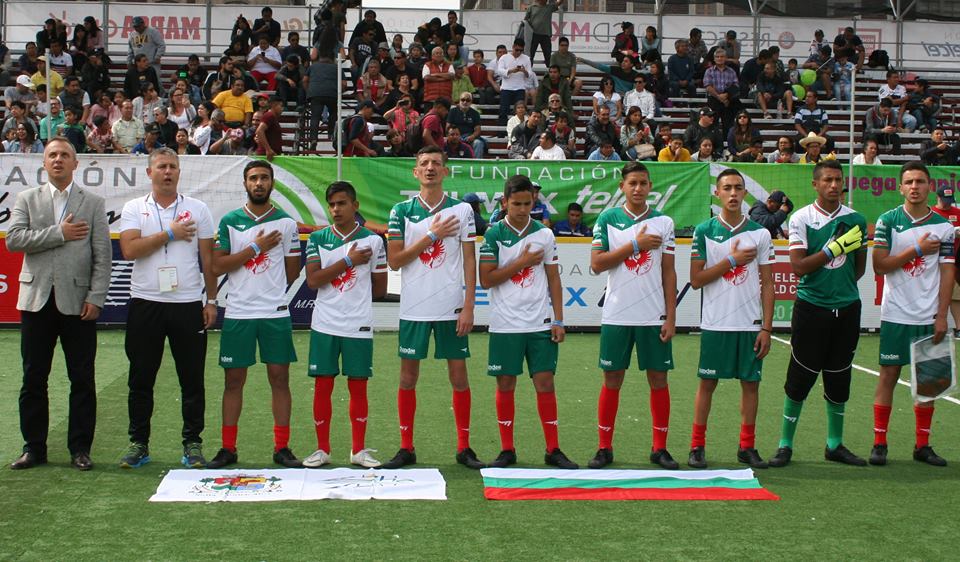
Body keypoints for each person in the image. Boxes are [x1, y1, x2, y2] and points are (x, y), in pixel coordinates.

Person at [6, 138, 110, 471]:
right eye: (52, 155)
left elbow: (102, 256)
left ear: (75, 163)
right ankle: (33, 448)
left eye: (65, 155)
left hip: (78, 303)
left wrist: (96, 297)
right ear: (44, 162)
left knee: (82, 378)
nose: (58, 160)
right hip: (36, 301)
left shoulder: (92, 203)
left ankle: (80, 449)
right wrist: (59, 233)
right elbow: (14, 240)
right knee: (33, 377)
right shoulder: (27, 199)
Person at [381, 147, 484, 470]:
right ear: (415, 172)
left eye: (436, 164)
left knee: (459, 376)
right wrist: (432, 235)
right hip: (414, 308)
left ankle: (464, 447)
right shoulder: (400, 211)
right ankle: (406, 447)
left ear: (445, 171)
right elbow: (395, 261)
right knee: (408, 377)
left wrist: (469, 306)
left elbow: (469, 260)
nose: (430, 168)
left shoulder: (462, 210)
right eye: (424, 163)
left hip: (451, 307)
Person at [117, 148, 218, 469]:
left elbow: (208, 259)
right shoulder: (134, 208)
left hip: (187, 304)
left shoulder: (198, 208)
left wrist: (211, 300)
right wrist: (169, 234)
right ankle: (139, 443)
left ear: (179, 172)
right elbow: (130, 249)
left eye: (173, 166)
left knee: (192, 379)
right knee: (141, 377)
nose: (168, 171)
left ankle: (192, 443)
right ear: (150, 173)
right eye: (161, 166)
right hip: (145, 302)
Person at [768, 160, 868, 468]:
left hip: (847, 308)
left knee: (839, 377)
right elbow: (799, 267)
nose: (834, 185)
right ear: (816, 184)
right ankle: (785, 445)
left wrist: (840, 283)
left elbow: (859, 269)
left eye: (838, 179)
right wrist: (834, 249)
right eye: (827, 180)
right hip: (812, 308)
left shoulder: (856, 219)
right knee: (800, 377)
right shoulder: (801, 218)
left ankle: (834, 444)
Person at [204, 161, 302, 469]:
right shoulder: (230, 221)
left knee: (280, 378)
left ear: (272, 183)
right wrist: (256, 248)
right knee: (233, 381)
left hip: (274, 313)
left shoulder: (286, 223)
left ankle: (282, 447)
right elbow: (217, 266)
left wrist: (269, 288)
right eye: (253, 178)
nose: (259, 183)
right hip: (239, 312)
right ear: (245, 183)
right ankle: (228, 448)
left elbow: (292, 271)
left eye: (264, 178)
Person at [478, 175, 577, 470]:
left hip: (540, 323)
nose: (522, 209)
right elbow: (486, 280)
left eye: (527, 204)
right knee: (506, 383)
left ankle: (553, 449)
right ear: (504, 203)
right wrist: (520, 262)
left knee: (545, 383)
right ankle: (507, 449)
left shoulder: (545, 234)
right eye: (517, 204)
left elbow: (554, 279)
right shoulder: (494, 235)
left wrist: (558, 319)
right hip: (505, 324)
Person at [588, 162, 678, 469]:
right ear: (622, 187)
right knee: (612, 379)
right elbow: (597, 263)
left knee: (659, 379)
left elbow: (669, 271)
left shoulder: (664, 222)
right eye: (632, 183)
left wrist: (671, 317)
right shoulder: (608, 218)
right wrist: (635, 244)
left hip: (653, 316)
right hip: (616, 315)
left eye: (643, 183)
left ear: (650, 186)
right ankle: (604, 447)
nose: (638, 188)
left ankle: (660, 448)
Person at [687, 169, 774, 470]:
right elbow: (696, 280)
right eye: (727, 188)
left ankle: (747, 447)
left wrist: (766, 327)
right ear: (717, 193)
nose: (733, 193)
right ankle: (697, 446)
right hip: (716, 324)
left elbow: (768, 284)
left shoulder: (760, 234)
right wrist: (731, 261)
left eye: (738, 188)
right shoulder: (704, 230)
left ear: (745, 193)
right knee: (707, 384)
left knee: (751, 385)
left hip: (750, 325)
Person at [870, 162, 954, 468]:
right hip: (896, 314)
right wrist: (916, 250)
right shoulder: (888, 221)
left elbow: (947, 273)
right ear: (900, 188)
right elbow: (879, 265)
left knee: (929, 382)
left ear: (929, 186)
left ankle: (922, 445)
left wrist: (942, 315)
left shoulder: (944, 227)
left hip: (929, 317)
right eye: (909, 182)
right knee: (888, 376)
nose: (915, 186)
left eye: (920, 181)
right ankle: (880, 442)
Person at [300, 181, 388, 469]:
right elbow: (313, 280)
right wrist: (349, 261)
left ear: (355, 206)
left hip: (358, 325)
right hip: (324, 324)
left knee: (358, 387)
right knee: (323, 385)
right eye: (332, 204)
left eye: (342, 203)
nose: (336, 209)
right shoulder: (317, 239)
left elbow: (380, 289)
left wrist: (353, 298)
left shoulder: (374, 241)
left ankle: (358, 450)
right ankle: (322, 449)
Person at [703, 49, 740, 135]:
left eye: (722, 57)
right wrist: (719, 97)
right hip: (714, 99)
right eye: (717, 57)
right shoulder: (709, 71)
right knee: (713, 123)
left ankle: (727, 141)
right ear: (714, 59)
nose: (720, 58)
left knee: (728, 124)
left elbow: (736, 85)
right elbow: (708, 86)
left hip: (728, 99)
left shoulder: (731, 71)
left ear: (726, 58)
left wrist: (726, 95)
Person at [497, 40, 532, 127]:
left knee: (520, 112)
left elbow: (530, 74)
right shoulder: (504, 57)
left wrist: (524, 71)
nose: (519, 52)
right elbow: (499, 71)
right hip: (506, 88)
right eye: (517, 50)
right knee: (503, 110)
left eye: (521, 50)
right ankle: (502, 131)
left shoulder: (526, 59)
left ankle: (519, 130)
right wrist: (511, 71)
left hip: (520, 88)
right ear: (513, 47)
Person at [524, 0, 564, 68]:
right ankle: (529, 71)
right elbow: (526, 20)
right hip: (533, 35)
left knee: (548, 56)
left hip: (546, 35)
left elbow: (559, 2)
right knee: (530, 56)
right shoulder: (531, 7)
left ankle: (551, 72)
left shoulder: (549, 7)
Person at [448, 93, 486, 160]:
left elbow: (478, 129)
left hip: (469, 138)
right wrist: (456, 136)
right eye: (463, 100)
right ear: (459, 101)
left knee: (478, 143)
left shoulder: (475, 113)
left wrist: (473, 136)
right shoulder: (452, 112)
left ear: (471, 102)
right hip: (455, 136)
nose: (465, 102)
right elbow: (448, 127)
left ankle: (477, 164)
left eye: (468, 100)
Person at [255, 96, 285, 160]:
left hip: (271, 155)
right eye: (281, 106)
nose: (282, 109)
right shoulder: (269, 116)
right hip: (266, 156)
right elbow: (259, 131)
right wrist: (268, 149)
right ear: (274, 105)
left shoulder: (272, 117)